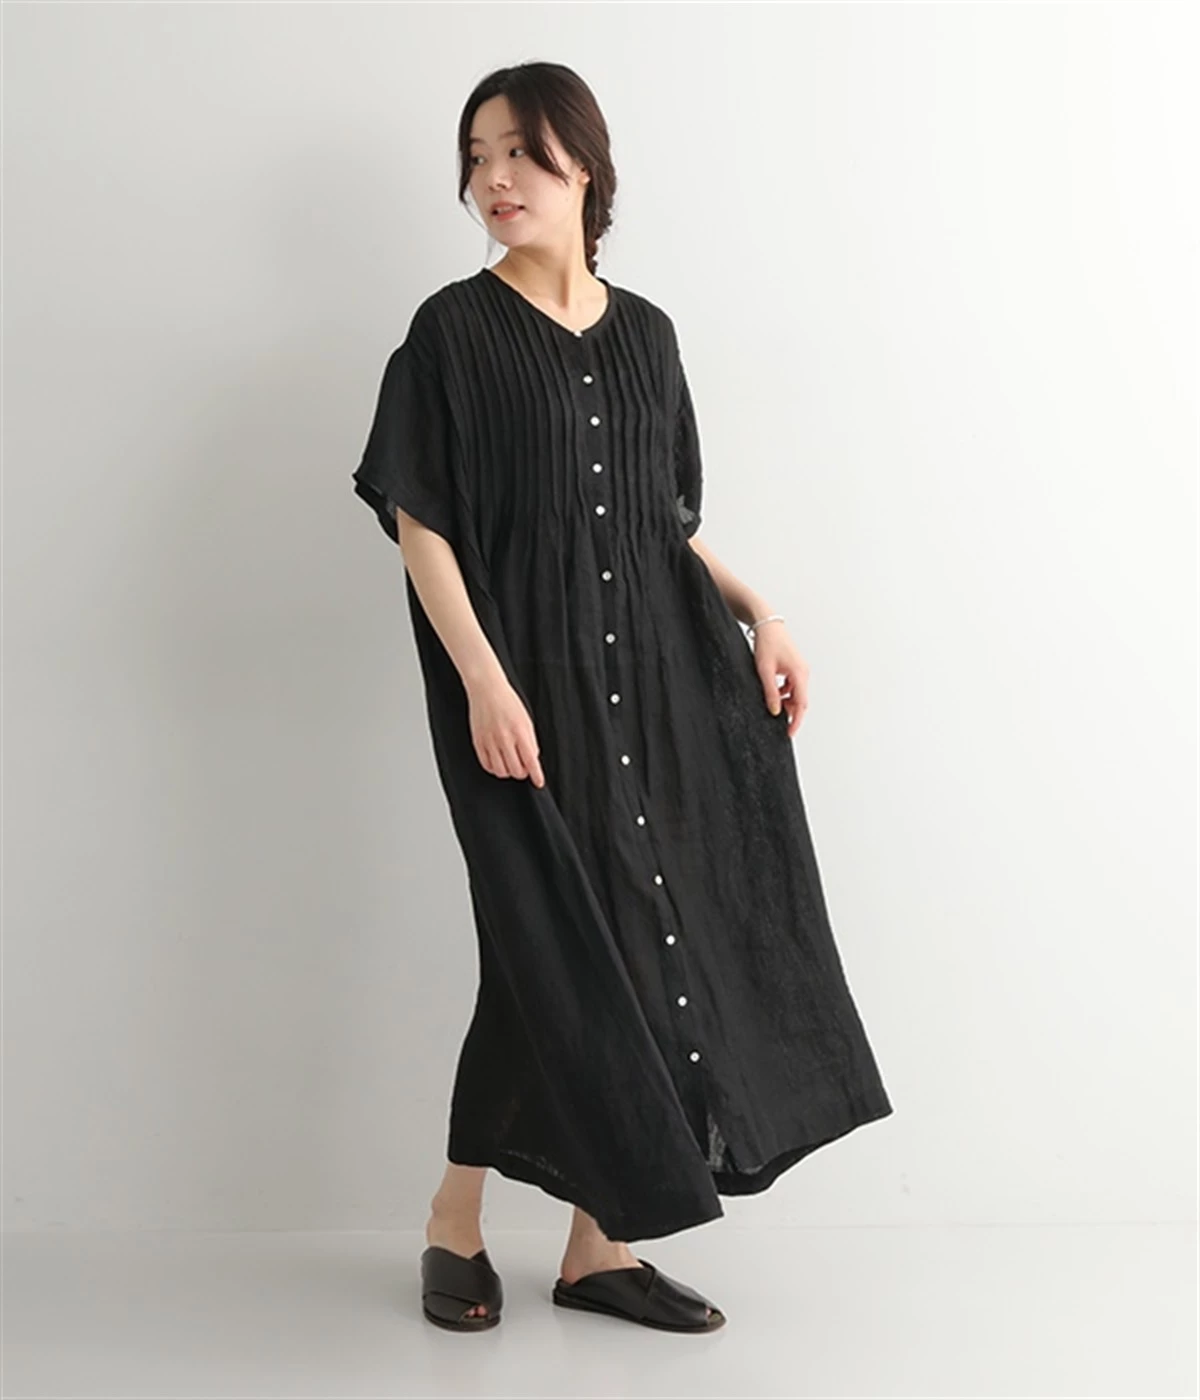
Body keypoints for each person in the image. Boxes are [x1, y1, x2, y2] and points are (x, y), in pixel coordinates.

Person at [351, 62, 894, 1334]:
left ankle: (598, 1246)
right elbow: (421, 520)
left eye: (520, 153)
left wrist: (762, 612)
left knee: (647, 933)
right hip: (522, 690)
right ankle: (453, 1219)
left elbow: (662, 525)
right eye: (477, 156)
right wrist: (484, 680)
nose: (493, 179)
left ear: (583, 165)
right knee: (542, 945)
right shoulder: (451, 331)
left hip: (657, 684)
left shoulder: (648, 335)